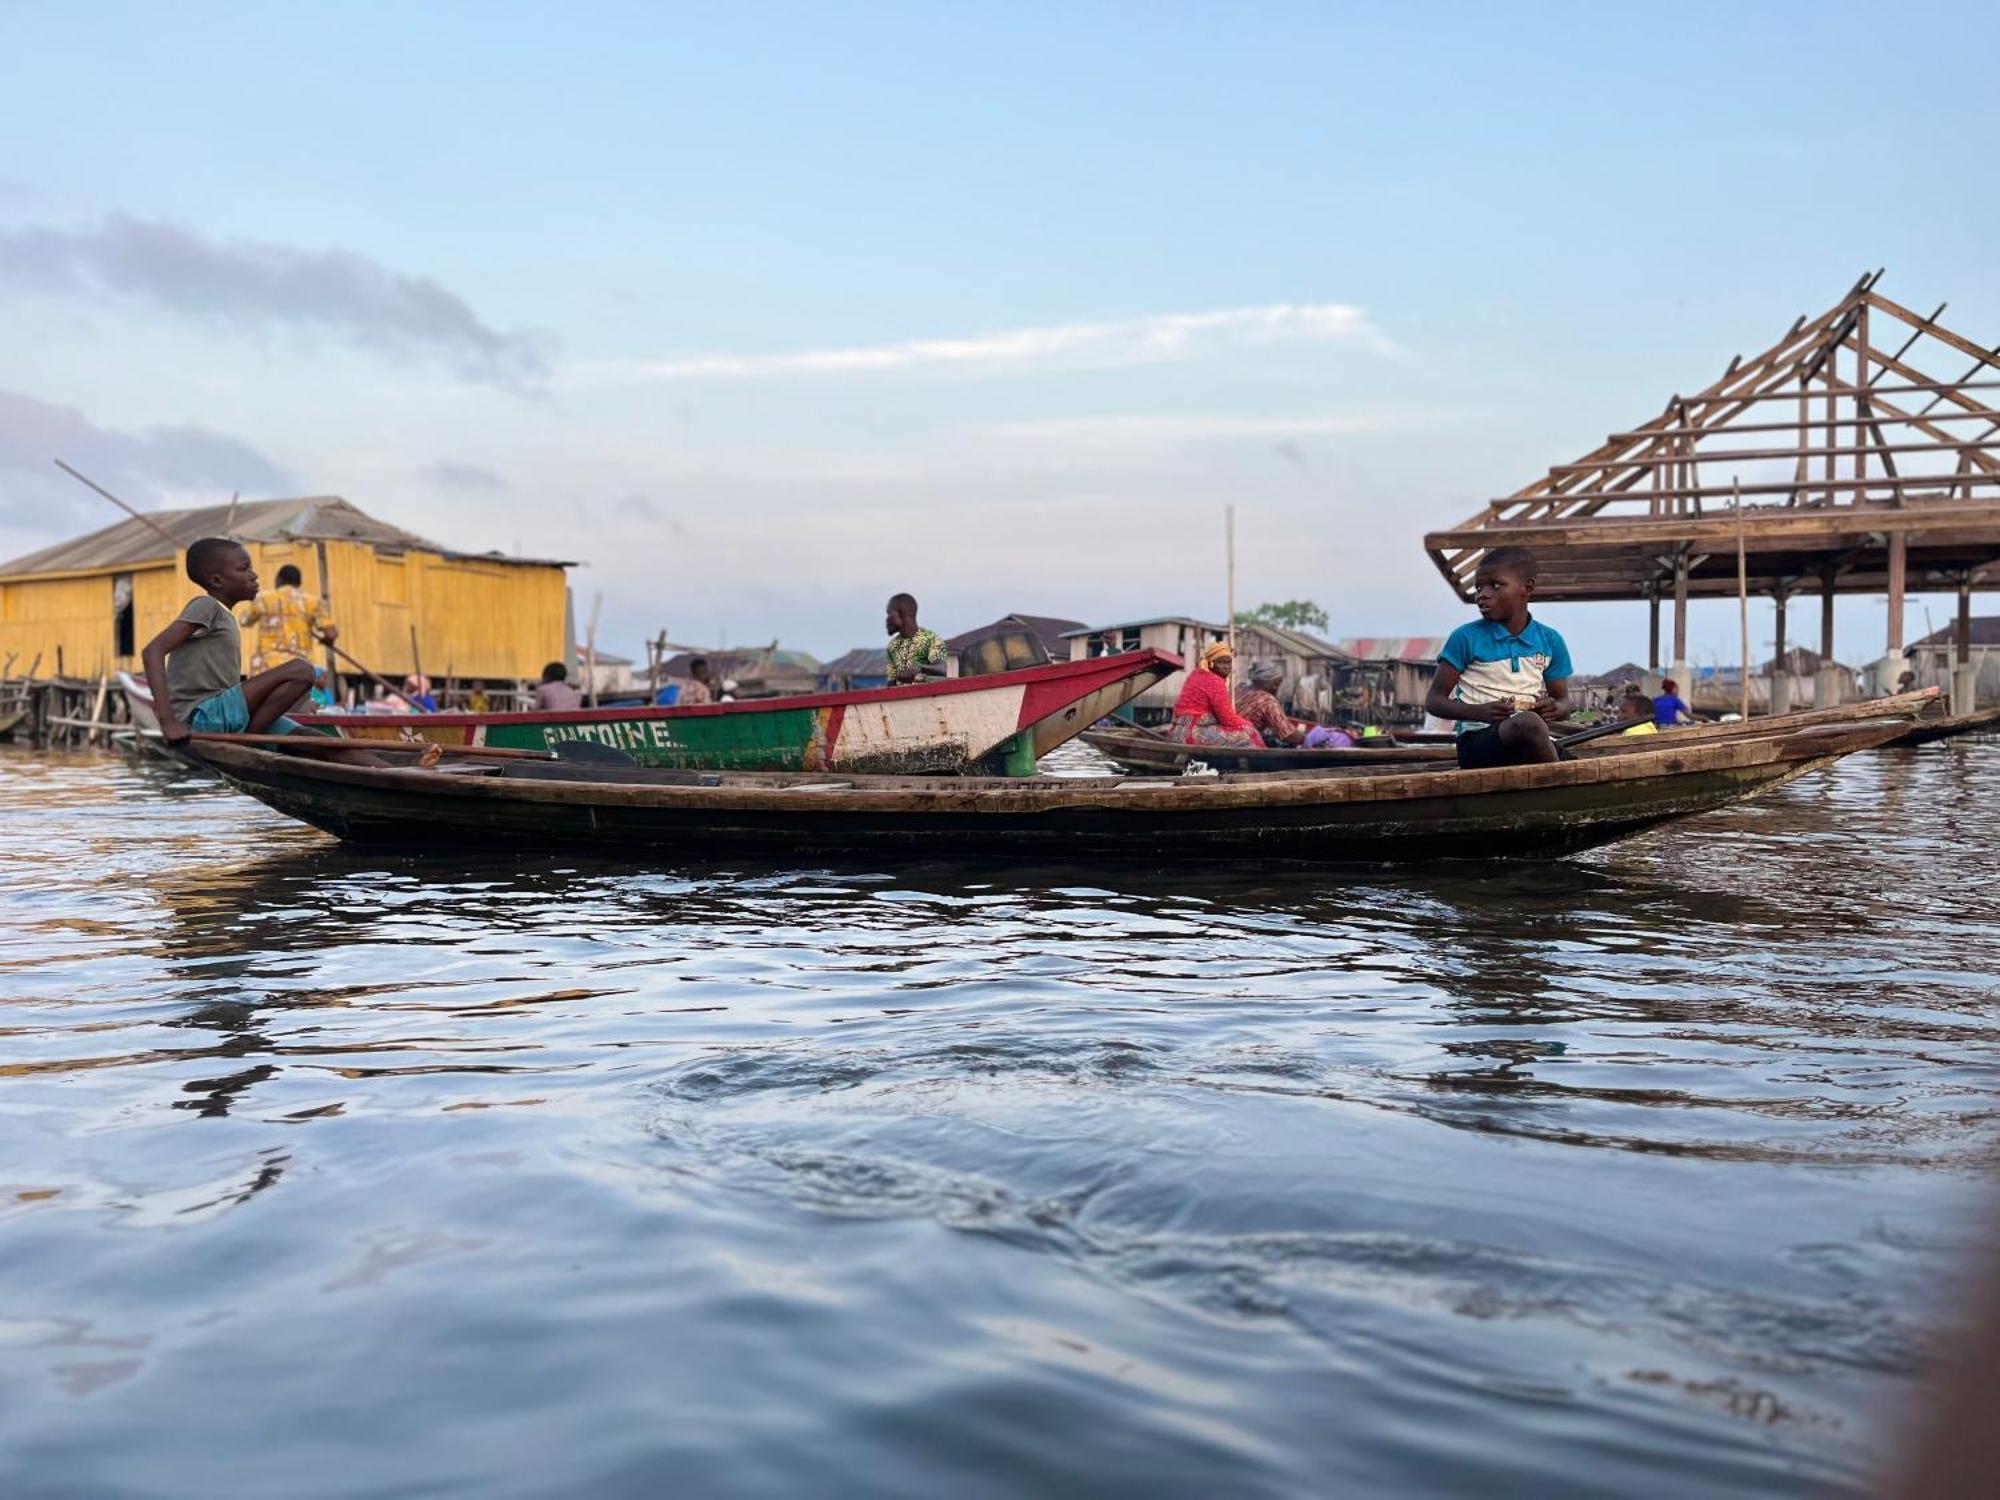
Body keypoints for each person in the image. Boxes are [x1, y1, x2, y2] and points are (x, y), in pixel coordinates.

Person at [141, 538, 317, 746]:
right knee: (301, 670)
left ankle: (366, 768)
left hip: (224, 714)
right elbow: (153, 651)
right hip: (203, 717)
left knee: (312, 738)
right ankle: (248, 739)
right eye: (244, 569)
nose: (254, 575)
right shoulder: (207, 606)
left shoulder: (224, 616)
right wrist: (168, 721)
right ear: (216, 581)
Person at [1423, 545, 1574, 768]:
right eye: (1478, 588)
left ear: (1527, 587)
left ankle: (1559, 780)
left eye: (1495, 585)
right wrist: (1480, 713)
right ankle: (1560, 786)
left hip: (1528, 738)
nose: (1483, 595)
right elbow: (1434, 701)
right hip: (1477, 743)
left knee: (1570, 755)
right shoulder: (1466, 638)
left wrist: (1554, 709)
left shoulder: (1550, 641)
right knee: (1528, 725)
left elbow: (1564, 703)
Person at [240, 563, 337, 675]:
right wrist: (326, 640)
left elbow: (245, 621)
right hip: (300, 666)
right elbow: (331, 634)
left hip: (268, 666)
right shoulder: (313, 602)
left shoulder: (263, 598)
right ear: (299, 583)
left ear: (279, 580)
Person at [1234, 662, 1354, 748]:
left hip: (1231, 736)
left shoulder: (1239, 688)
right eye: (1275, 684)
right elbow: (1288, 735)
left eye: (1278, 684)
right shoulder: (1267, 701)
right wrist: (1311, 739)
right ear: (1263, 681)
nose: (1277, 688)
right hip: (1244, 743)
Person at [1171, 642, 1265, 747]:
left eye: (1228, 662)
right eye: (1221, 663)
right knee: (1249, 736)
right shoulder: (1214, 681)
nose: (1226, 667)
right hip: (1193, 734)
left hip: (1177, 732)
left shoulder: (1196, 673)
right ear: (1211, 663)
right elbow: (1227, 719)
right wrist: (1249, 726)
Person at [885, 594, 947, 684]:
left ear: (901, 613)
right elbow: (891, 682)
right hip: (903, 697)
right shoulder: (892, 645)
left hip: (926, 696)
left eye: (889, 614)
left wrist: (920, 668)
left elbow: (942, 669)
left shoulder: (930, 639)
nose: (887, 620)